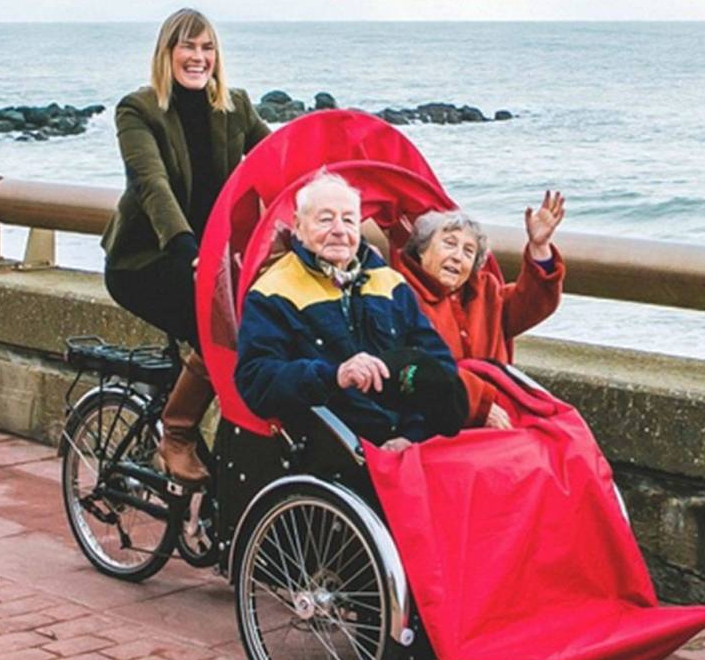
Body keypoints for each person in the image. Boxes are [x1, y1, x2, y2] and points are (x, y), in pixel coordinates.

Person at [101, 8, 270, 483]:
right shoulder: (138, 110)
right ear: (167, 53)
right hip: (147, 260)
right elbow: (152, 183)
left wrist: (327, 193)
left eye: (207, 47)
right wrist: (187, 249)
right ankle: (176, 434)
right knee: (221, 335)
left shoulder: (235, 106)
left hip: (209, 260)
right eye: (188, 47)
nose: (199, 57)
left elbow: (276, 160)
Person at [235, 170, 467, 451]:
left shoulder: (390, 283)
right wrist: (335, 375)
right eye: (325, 219)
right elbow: (256, 381)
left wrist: (413, 435)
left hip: (408, 443)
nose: (339, 230)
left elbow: (438, 368)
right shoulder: (272, 291)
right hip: (334, 448)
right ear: (297, 225)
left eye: (348, 220)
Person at [392, 191, 566, 429]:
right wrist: (477, 405)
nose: (457, 257)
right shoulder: (399, 293)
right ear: (422, 249)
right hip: (435, 420)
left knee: (567, 434)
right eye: (449, 244)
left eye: (468, 251)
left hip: (501, 412)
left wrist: (539, 246)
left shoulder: (486, 292)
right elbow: (414, 369)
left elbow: (533, 302)